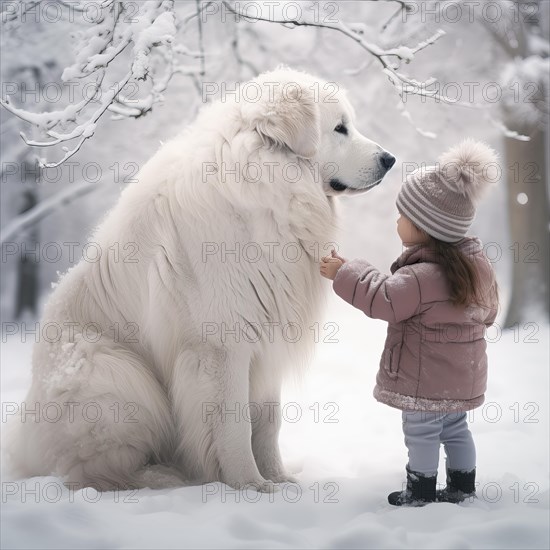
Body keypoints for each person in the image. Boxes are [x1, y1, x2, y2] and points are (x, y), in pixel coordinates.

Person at [320, 139, 500, 506]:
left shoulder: (422, 276)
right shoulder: (476, 268)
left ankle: (419, 492)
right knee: (455, 429)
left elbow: (384, 299)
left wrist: (345, 271)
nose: (397, 221)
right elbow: (490, 313)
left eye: (403, 216)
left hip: (424, 381)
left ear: (425, 227)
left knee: (421, 432)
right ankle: (463, 487)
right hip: (461, 378)